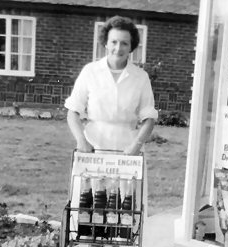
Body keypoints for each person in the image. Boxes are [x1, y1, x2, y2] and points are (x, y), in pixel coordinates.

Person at [64, 15, 158, 155]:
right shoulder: (90, 71)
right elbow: (73, 111)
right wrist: (81, 140)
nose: (118, 48)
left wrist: (136, 145)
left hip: (128, 150)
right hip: (93, 148)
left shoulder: (141, 77)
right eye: (114, 42)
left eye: (124, 43)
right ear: (106, 43)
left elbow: (149, 118)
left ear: (131, 46)